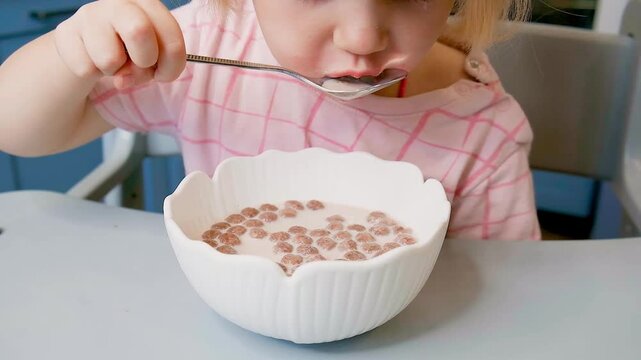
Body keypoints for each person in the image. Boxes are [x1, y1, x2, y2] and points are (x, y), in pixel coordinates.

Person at [0, 0, 540, 240]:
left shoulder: (481, 130)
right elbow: (17, 131)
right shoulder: (204, 49)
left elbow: (507, 294)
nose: (361, 38)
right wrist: (70, 53)